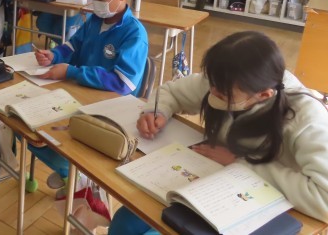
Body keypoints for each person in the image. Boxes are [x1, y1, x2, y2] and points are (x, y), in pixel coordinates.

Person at [110, 31, 328, 235]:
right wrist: (157, 112)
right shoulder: (225, 78)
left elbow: (324, 200)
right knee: (124, 224)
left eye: (223, 94)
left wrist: (240, 162)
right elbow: (172, 92)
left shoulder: (307, 119)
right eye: (212, 84)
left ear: (264, 95)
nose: (212, 92)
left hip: (257, 205)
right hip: (207, 180)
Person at [30, 0, 149, 190]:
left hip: (108, 111)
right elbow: (74, 46)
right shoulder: (95, 20)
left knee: (48, 137)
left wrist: (72, 71)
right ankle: (70, 174)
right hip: (79, 95)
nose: (95, 5)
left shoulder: (134, 34)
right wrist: (54, 55)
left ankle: (76, 177)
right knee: (30, 131)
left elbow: (122, 83)